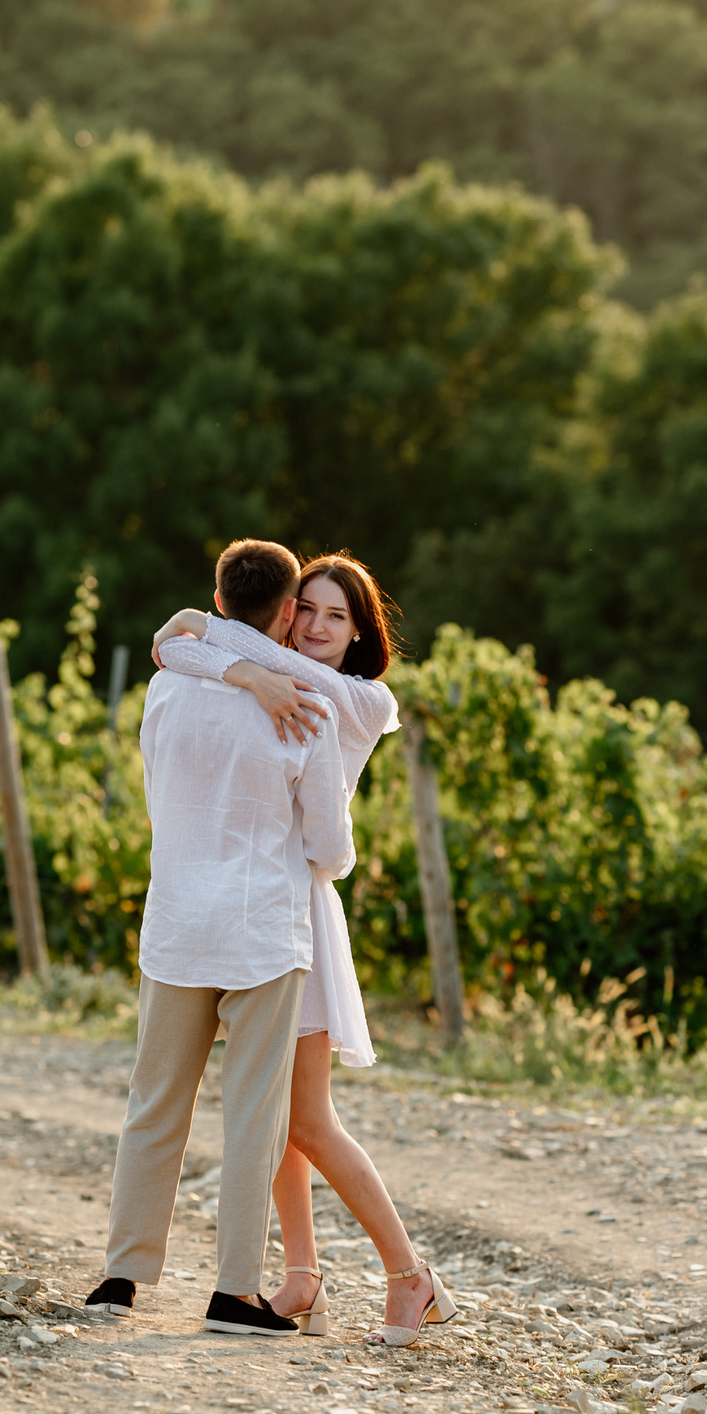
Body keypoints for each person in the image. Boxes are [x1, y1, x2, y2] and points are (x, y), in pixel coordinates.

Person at [148, 555, 458, 1348]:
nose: (316, 628)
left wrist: (221, 647)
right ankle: (301, 1277)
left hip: (297, 913)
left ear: (361, 634)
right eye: (306, 611)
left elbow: (181, 645)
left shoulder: (363, 698)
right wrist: (229, 660)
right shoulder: (280, 676)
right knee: (273, 1118)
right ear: (287, 612)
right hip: (256, 900)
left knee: (307, 1118)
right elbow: (172, 647)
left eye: (336, 618)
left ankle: (410, 1276)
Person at [85, 539, 355, 1337]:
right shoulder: (308, 701)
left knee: (154, 1102)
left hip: (174, 921)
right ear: (285, 612)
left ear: (217, 593)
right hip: (262, 931)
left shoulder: (168, 685)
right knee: (254, 1115)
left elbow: (175, 650)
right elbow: (330, 846)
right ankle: (235, 1290)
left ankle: (122, 1275)